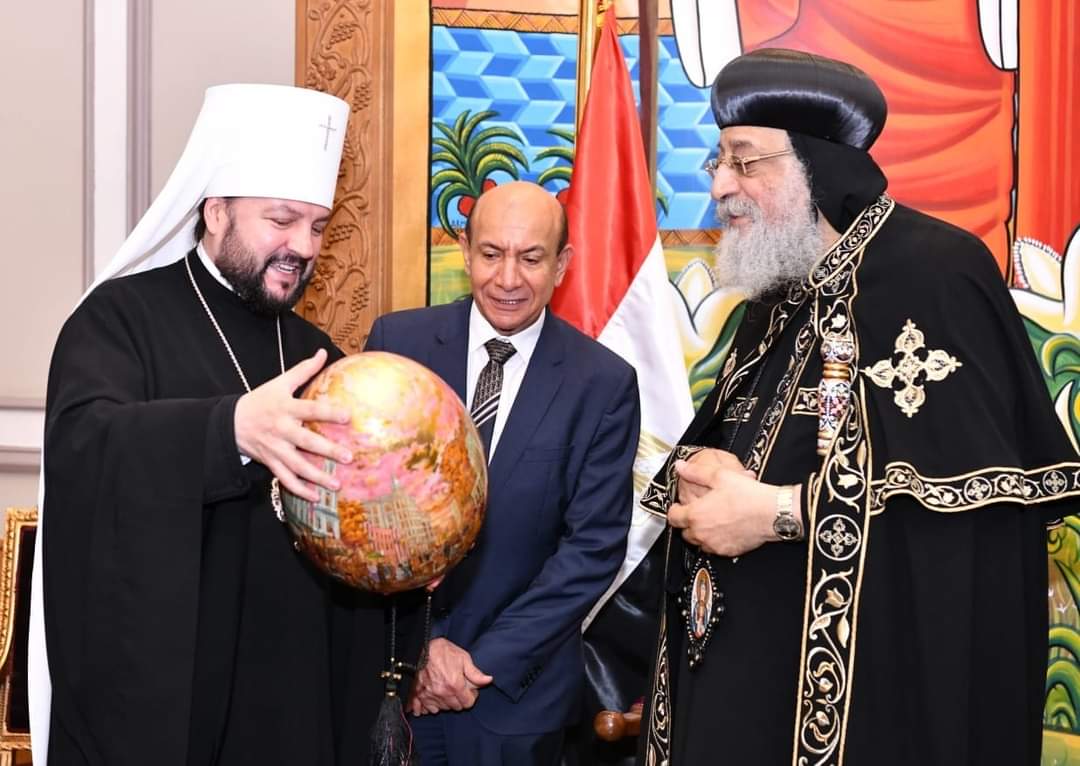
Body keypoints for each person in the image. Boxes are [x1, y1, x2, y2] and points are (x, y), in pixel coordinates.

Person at [636, 48, 1079, 765]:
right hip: (747, 695)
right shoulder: (782, 292)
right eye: (718, 161)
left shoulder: (938, 274)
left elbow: (976, 514)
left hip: (872, 709)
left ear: (820, 165)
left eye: (745, 161)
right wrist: (709, 475)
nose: (719, 185)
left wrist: (777, 512)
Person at [32, 84, 384, 766]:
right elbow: (84, 448)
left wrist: (402, 547)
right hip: (170, 703)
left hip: (291, 697)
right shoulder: (117, 320)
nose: (303, 246)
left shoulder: (316, 353)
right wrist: (228, 430)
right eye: (282, 220)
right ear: (215, 211)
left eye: (318, 226)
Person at [364, 180, 641, 765]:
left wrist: (478, 662)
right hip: (398, 682)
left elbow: (592, 549)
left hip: (514, 700)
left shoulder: (603, 384)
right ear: (465, 252)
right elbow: (363, 508)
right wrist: (423, 648)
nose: (508, 278)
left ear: (562, 265)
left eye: (531, 258)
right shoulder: (397, 344)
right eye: (491, 254)